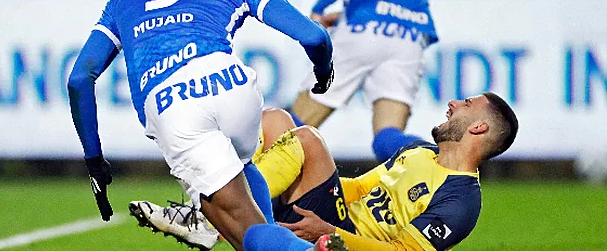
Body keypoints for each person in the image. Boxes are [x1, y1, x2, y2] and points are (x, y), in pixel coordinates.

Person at [66, 0, 335, 250]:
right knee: (245, 172)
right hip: (232, 85)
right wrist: (323, 70)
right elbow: (314, 36)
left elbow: (80, 79)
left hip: (173, 104)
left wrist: (94, 160)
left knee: (245, 230)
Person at [138, 92, 518, 251]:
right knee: (275, 120)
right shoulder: (419, 152)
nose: (452, 103)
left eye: (466, 104)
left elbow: (404, 250)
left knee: (306, 139)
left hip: (340, 241)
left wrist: (333, 234)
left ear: (479, 128)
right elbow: (354, 189)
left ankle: (213, 218)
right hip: (325, 225)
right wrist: (326, 212)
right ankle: (232, 221)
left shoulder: (462, 201)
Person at [290, 0, 439, 162]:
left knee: (291, 132)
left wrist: (322, 5)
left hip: (364, 27)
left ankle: (256, 193)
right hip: (410, 32)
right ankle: (439, 161)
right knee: (387, 140)